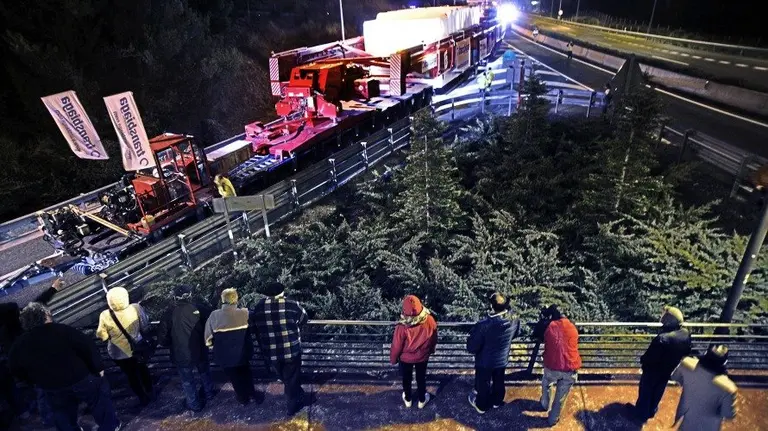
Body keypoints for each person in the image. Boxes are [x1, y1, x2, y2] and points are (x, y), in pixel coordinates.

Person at [9, 303, 121, 431]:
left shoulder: (19, 344)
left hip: (51, 386)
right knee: (99, 402)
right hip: (81, 377)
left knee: (62, 413)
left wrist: (34, 381)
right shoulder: (62, 330)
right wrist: (98, 367)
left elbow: (14, 368)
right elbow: (87, 346)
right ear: (46, 316)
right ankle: (110, 427)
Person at [250, 282, 309, 416]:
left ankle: (292, 391)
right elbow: (303, 318)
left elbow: (253, 325)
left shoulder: (259, 307)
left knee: (283, 376)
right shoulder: (292, 304)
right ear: (282, 291)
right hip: (291, 350)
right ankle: (292, 405)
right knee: (292, 378)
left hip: (270, 352)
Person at [627, 306, 691, 423]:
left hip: (652, 371)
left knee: (646, 392)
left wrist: (643, 361)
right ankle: (652, 410)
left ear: (668, 321)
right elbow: (686, 351)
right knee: (658, 390)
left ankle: (641, 414)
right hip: (667, 370)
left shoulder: (662, 339)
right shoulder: (686, 334)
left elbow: (650, 357)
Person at [157, 285, 216, 412]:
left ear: (174, 297)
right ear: (189, 295)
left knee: (187, 381)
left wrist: (172, 344)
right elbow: (211, 325)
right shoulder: (199, 308)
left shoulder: (169, 313)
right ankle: (209, 393)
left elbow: (162, 338)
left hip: (180, 354)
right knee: (204, 372)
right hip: (200, 349)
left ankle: (194, 404)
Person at [96, 286, 155, 406]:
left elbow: (102, 336)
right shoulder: (136, 308)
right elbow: (145, 326)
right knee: (143, 369)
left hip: (118, 353)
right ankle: (151, 391)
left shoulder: (105, 315)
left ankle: (142, 398)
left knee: (131, 376)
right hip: (137, 348)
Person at [466, 293, 520, 414]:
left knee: (483, 384)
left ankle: (481, 406)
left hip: (485, 361)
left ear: (492, 306)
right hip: (502, 359)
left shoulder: (484, 325)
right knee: (499, 380)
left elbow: (472, 347)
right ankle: (497, 401)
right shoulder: (514, 319)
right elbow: (516, 333)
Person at [204, 288, 257, 406]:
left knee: (235, 378)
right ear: (236, 298)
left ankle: (243, 399)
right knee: (246, 374)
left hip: (224, 356)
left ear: (222, 299)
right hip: (243, 353)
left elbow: (208, 337)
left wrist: (212, 346)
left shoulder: (214, 315)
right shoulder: (245, 313)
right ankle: (252, 395)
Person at [533, 305, 581, 427]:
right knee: (561, 396)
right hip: (570, 367)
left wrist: (543, 318)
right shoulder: (573, 325)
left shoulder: (548, 326)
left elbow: (536, 334)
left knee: (546, 383)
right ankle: (552, 419)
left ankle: (545, 405)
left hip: (552, 366)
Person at [671, 345, 737, 431]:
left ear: (707, 353)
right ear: (724, 362)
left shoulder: (687, 363)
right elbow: (728, 414)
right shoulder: (728, 387)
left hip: (686, 426)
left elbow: (675, 377)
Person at [389, 294, 438, 410]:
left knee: (406, 378)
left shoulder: (402, 326)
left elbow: (396, 345)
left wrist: (393, 359)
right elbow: (434, 338)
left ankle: (408, 399)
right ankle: (422, 400)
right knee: (421, 378)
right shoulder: (430, 320)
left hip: (406, 359)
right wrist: (431, 350)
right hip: (422, 357)